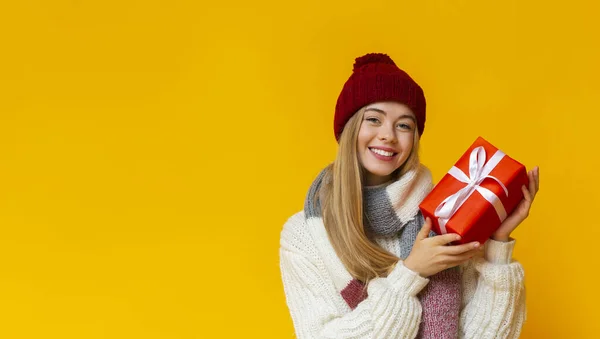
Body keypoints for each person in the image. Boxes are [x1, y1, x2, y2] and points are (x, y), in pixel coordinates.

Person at [279, 52, 540, 339]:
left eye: (404, 125)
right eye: (374, 119)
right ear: (349, 128)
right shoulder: (305, 234)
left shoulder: (445, 215)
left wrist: (497, 244)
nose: (388, 135)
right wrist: (411, 273)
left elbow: (486, 335)